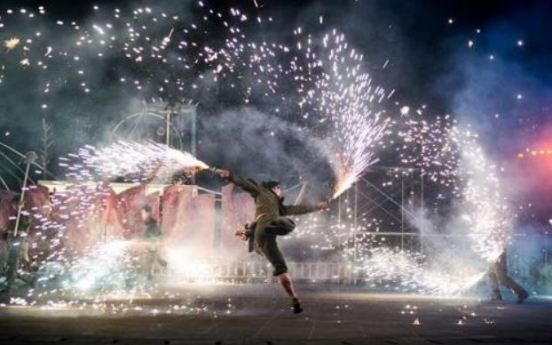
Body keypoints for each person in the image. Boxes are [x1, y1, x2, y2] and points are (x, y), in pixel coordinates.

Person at [214, 168, 329, 314]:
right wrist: (230, 176)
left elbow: (296, 209)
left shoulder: (278, 206)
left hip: (263, 234)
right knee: (289, 224)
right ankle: (265, 234)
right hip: (269, 223)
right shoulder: (262, 191)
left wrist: (315, 207)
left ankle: (295, 299)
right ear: (275, 188)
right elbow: (246, 184)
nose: (281, 192)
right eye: (280, 189)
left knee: (281, 267)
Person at [1, 196, 33, 294]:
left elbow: (26, 222)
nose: (14, 206)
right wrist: (7, 234)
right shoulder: (14, 214)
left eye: (15, 204)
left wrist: (21, 210)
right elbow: (10, 227)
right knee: (9, 262)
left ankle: (9, 286)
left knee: (13, 262)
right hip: (11, 239)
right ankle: (27, 279)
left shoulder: (25, 214)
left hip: (19, 240)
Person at [140, 204, 167, 280]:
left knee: (149, 260)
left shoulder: (152, 223)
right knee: (153, 258)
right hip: (149, 245)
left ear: (148, 213)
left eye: (143, 213)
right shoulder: (147, 223)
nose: (142, 215)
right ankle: (163, 264)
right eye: (142, 213)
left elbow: (156, 234)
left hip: (152, 244)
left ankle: (149, 276)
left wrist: (152, 242)